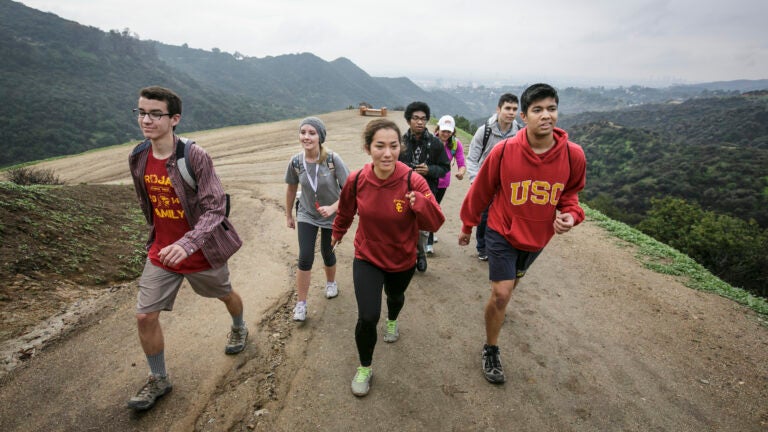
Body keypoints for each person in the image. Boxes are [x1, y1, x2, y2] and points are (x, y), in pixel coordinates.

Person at [127, 86, 246, 410]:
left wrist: (188, 242)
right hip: (162, 253)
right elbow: (146, 202)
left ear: (174, 118)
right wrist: (159, 239)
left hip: (202, 252)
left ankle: (239, 327)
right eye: (141, 112)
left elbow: (215, 209)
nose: (146, 119)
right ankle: (159, 379)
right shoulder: (138, 156)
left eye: (155, 113)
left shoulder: (194, 157)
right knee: (144, 316)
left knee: (225, 294)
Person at [458, 83, 586, 385]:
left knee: (510, 286)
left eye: (551, 109)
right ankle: (491, 348)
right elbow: (481, 192)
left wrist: (571, 216)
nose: (546, 116)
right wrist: (467, 225)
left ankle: (498, 309)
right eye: (538, 110)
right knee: (501, 293)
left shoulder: (573, 155)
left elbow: (571, 197)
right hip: (501, 229)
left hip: (537, 238)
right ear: (524, 117)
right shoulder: (504, 152)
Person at [332, 118, 445, 397]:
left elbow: (436, 223)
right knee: (368, 316)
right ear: (368, 148)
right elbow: (346, 211)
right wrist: (337, 234)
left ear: (400, 147)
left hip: (402, 257)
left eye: (393, 146)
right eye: (379, 146)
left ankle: (393, 320)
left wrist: (422, 206)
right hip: (367, 255)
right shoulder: (357, 179)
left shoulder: (412, 180)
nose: (387, 153)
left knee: (395, 298)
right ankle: (365, 366)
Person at [285, 117, 350, 321]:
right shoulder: (296, 162)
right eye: (303, 132)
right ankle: (301, 304)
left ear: (320, 137)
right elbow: (291, 188)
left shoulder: (332, 159)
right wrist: (289, 214)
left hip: (332, 214)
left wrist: (332, 207)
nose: (306, 137)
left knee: (326, 252)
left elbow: (349, 191)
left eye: (312, 133)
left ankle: (331, 283)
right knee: (305, 256)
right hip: (306, 213)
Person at [465, 93, 521, 261]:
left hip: (508, 184)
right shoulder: (485, 131)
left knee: (507, 216)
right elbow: (472, 158)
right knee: (484, 217)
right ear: (498, 109)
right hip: (486, 182)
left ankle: (502, 246)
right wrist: (476, 181)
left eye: (514, 109)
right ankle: (482, 247)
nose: (511, 113)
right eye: (507, 108)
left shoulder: (519, 133)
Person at [398, 101, 451, 272]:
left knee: (421, 228)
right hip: (403, 191)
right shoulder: (400, 142)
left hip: (427, 191)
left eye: (423, 119)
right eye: (415, 118)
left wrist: (430, 170)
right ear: (408, 120)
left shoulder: (435, 144)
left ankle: (419, 254)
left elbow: (445, 168)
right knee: (403, 225)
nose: (420, 122)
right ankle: (407, 257)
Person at [426, 115, 466, 254]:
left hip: (443, 183)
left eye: (449, 131)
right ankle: (428, 240)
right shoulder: (429, 141)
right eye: (444, 130)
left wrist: (461, 173)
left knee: (434, 208)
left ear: (453, 131)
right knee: (431, 208)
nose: (446, 134)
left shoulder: (455, 144)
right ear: (438, 129)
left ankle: (428, 233)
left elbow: (461, 162)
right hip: (428, 180)